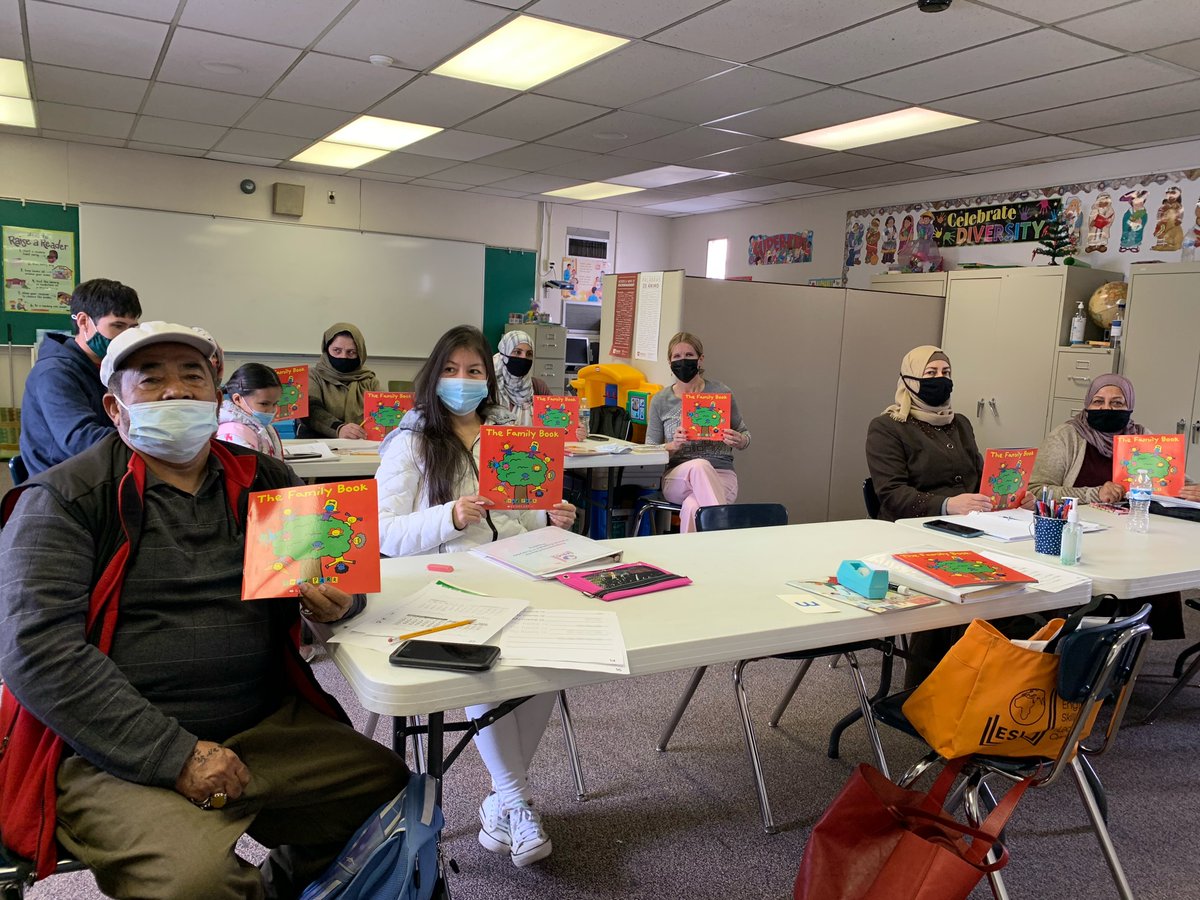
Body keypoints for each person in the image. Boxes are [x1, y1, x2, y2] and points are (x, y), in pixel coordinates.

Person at [0, 322, 409, 900]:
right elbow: (36, 651)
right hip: (117, 748)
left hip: (261, 723)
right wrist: (175, 755)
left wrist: (341, 602)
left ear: (217, 399)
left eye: (192, 376)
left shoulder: (265, 479)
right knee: (195, 884)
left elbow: (331, 577)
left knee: (389, 794)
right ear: (115, 408)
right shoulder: (65, 499)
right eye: (152, 380)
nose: (176, 392)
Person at [376, 324, 575, 869]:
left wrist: (548, 515)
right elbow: (384, 531)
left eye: (473, 371)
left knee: (549, 663)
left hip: (509, 572)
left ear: (489, 378)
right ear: (432, 374)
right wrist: (449, 514)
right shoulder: (412, 440)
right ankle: (515, 799)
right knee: (490, 666)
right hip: (437, 585)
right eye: (451, 369)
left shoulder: (507, 436)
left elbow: (516, 518)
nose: (462, 381)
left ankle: (500, 803)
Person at [1031, 373, 1199, 639]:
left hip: (1134, 535)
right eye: (1098, 401)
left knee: (1152, 572)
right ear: (1087, 404)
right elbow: (1037, 492)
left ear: (1130, 406)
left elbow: (1173, 481)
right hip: (1082, 536)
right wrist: (1095, 493)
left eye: (1117, 403)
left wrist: (1192, 491)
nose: (1106, 408)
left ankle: (1132, 643)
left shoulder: (1142, 436)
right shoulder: (1066, 437)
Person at [18, 278, 141, 477]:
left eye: (132, 328)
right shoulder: (54, 373)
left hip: (99, 466)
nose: (126, 336)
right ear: (84, 322)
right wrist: (151, 445)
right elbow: (80, 440)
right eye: (118, 326)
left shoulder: (111, 366)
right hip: (64, 480)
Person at [865, 345, 991, 522]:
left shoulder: (961, 423)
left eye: (946, 372)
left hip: (968, 522)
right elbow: (892, 493)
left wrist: (1011, 498)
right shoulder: (887, 426)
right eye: (931, 373)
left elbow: (979, 478)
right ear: (910, 380)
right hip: (911, 525)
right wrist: (947, 505)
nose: (941, 378)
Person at [645, 331, 750, 534]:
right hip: (678, 477)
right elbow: (648, 450)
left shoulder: (722, 392)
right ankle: (724, 536)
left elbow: (745, 435)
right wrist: (673, 445)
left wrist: (738, 440)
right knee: (700, 465)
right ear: (669, 361)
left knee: (693, 506)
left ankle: (688, 562)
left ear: (700, 359)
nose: (683, 361)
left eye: (689, 356)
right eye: (677, 357)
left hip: (722, 475)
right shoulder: (660, 400)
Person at [302, 322, 379, 439]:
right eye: (337, 351)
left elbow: (382, 411)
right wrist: (339, 428)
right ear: (327, 349)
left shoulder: (369, 380)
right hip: (321, 443)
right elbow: (311, 411)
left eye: (351, 352)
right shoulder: (313, 375)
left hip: (361, 445)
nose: (343, 357)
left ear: (360, 353)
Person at [217, 362, 284, 459]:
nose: (272, 410)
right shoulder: (233, 434)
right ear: (238, 399)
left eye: (275, 403)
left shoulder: (260, 425)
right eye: (264, 404)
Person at [493, 329, 551, 425]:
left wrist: (575, 429)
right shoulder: (489, 385)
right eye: (517, 352)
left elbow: (555, 420)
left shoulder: (538, 386)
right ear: (504, 354)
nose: (524, 358)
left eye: (529, 354)